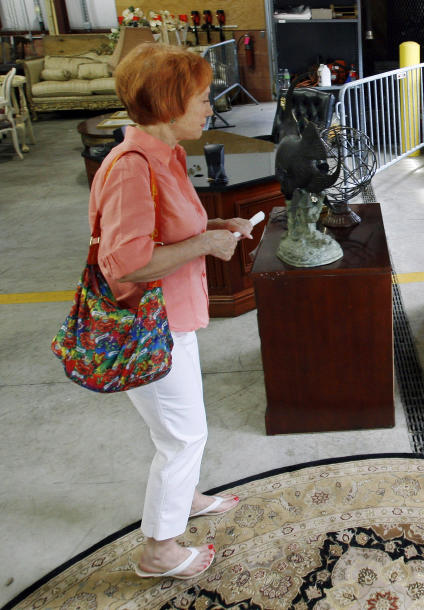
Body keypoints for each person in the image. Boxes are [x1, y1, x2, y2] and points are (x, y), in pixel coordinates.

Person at [89, 43, 252, 579]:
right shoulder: (132, 169)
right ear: (167, 103)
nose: (209, 107)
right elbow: (126, 263)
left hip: (171, 319)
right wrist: (206, 246)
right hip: (148, 326)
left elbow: (165, 232)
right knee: (184, 437)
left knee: (180, 429)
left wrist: (213, 230)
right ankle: (160, 551)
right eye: (202, 99)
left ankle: (184, 498)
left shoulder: (165, 156)